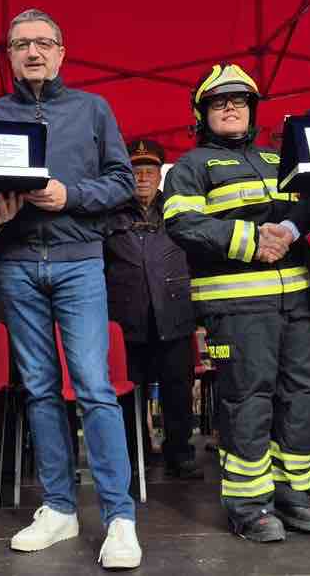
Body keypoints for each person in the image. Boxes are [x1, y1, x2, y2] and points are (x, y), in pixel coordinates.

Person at [0, 8, 142, 570]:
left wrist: (71, 196)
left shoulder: (93, 109)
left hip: (78, 262)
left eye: (43, 42)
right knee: (40, 390)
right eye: (20, 44)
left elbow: (123, 182)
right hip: (17, 262)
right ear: (9, 55)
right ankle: (59, 508)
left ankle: (120, 518)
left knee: (94, 387)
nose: (32, 52)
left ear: (62, 52)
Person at [164, 63, 310, 543]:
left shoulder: (280, 159)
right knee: (247, 401)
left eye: (239, 100)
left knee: (303, 394)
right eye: (219, 102)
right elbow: (182, 224)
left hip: (295, 300)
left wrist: (290, 229)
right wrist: (252, 239)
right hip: (235, 308)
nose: (231, 107)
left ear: (253, 110)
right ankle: (248, 504)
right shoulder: (192, 166)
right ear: (203, 113)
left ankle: (293, 490)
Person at [105, 139, 201, 480]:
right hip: (125, 318)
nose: (142, 177)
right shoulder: (110, 212)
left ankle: (180, 453)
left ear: (160, 174)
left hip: (173, 315)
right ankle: (135, 454)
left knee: (177, 389)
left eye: (149, 170)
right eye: (135, 171)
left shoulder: (178, 209)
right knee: (130, 392)